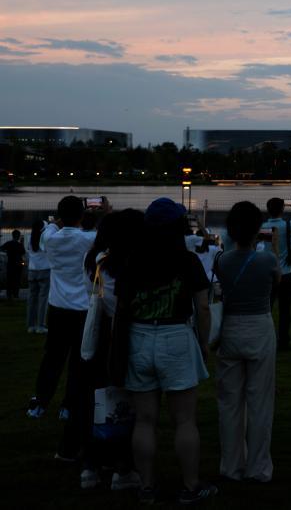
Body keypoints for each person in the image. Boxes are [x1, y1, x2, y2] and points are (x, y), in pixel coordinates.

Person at [113, 198, 215, 504]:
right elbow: (203, 307)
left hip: (140, 337)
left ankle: (146, 486)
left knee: (145, 419)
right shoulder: (188, 261)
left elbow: (121, 305)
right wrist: (203, 342)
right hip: (176, 336)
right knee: (184, 419)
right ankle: (191, 486)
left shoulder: (132, 259)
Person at [27, 196, 96, 470]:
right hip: (81, 308)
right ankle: (69, 405)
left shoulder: (51, 238)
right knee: (78, 362)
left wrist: (59, 221)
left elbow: (51, 227)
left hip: (57, 307)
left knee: (52, 357)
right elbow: (100, 236)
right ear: (82, 214)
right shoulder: (88, 239)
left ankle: (40, 401)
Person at [214, 201, 281, 483]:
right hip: (259, 327)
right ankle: (258, 467)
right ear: (258, 229)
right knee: (260, 402)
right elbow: (276, 283)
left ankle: (231, 466)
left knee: (230, 403)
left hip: (230, 328)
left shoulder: (221, 260)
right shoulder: (267, 260)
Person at [82, 209, 145, 492]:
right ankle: (123, 468)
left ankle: (91, 467)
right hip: (127, 339)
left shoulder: (96, 261)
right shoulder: (134, 265)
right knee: (126, 406)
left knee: (98, 403)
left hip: (100, 339)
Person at [261, 197, 291, 351]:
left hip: (267, 272)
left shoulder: (263, 227)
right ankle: (283, 341)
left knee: (266, 309)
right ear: (282, 209)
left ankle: (265, 339)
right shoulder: (288, 225)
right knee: (285, 310)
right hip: (285, 272)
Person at [26, 219, 51, 333]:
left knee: (32, 300)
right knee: (43, 300)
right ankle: (41, 325)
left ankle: (31, 325)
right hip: (44, 271)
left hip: (32, 271)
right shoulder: (45, 240)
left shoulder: (30, 239)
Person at [2, 229, 26, 301]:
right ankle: (16, 294)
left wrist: (7, 251)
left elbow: (1, 248)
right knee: (17, 280)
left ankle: (9, 294)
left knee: (9, 280)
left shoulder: (8, 243)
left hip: (10, 264)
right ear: (18, 236)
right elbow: (23, 252)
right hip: (18, 265)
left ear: (12, 236)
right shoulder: (19, 245)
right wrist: (22, 243)